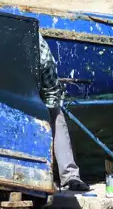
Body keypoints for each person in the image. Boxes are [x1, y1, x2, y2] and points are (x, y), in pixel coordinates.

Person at [38, 32, 90, 192]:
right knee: (56, 119)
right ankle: (69, 176)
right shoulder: (35, 38)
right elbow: (47, 66)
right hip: (33, 95)